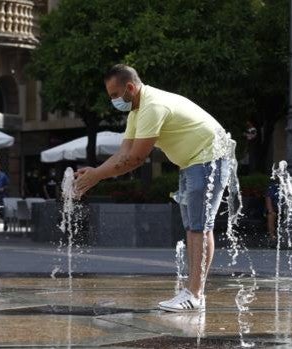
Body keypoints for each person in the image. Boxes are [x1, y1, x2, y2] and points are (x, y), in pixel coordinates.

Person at [76, 64, 232, 313]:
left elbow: (136, 159)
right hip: (192, 161)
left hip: (208, 157)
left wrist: (97, 176)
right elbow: (123, 153)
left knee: (201, 225)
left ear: (130, 87)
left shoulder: (152, 106)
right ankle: (192, 292)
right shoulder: (136, 112)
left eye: (115, 95)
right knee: (193, 226)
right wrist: (96, 173)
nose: (114, 101)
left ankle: (195, 294)